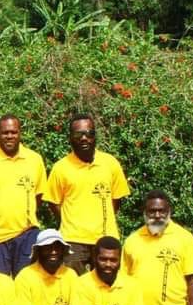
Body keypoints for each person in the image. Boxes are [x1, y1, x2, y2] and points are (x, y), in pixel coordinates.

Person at [43, 114, 130, 274]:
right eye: (78, 134)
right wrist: (70, 222)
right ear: (70, 138)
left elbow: (116, 200)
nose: (84, 138)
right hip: (73, 240)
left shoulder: (110, 163)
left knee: (107, 289)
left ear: (95, 136)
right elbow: (53, 202)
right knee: (73, 289)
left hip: (105, 238)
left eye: (89, 133)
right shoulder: (60, 168)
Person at [0, 114, 47, 276]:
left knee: (25, 284)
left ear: (20, 133)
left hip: (27, 234)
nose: (9, 136)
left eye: (13, 132)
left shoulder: (34, 160)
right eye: (5, 133)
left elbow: (38, 197)